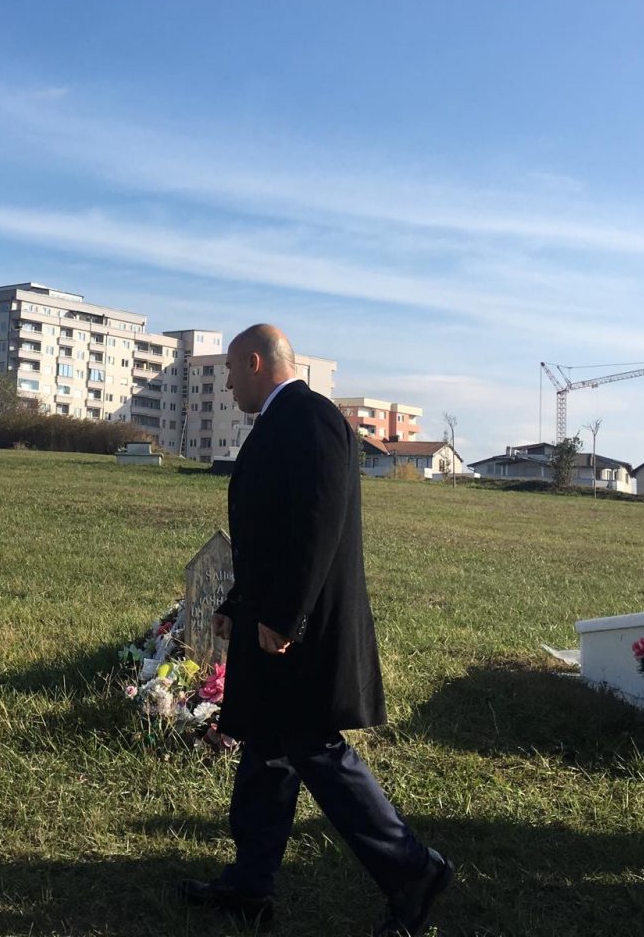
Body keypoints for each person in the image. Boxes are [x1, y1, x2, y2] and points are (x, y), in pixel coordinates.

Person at [179, 324, 451, 936]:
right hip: (273, 616)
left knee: (313, 748)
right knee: (266, 746)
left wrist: (284, 615)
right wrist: (238, 600)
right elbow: (269, 531)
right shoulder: (284, 420)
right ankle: (250, 886)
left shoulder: (312, 417)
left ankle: (413, 870)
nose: (227, 384)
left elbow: (316, 525)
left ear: (255, 362)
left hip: (302, 627)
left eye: (230, 371)